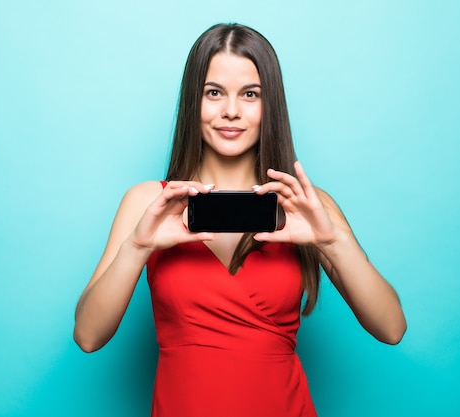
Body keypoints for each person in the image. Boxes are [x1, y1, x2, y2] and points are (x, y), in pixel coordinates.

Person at [73, 23, 407, 417]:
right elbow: (89, 336)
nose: (231, 111)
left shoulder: (306, 205)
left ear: (271, 105)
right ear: (192, 102)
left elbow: (391, 328)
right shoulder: (150, 202)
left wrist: (332, 242)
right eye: (214, 93)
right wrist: (138, 246)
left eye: (250, 94)